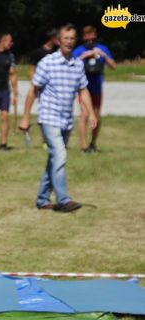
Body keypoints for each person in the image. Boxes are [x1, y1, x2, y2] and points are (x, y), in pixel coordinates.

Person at [19, 24, 97, 213]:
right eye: (65, 38)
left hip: (66, 120)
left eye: (72, 38)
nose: (69, 42)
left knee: (54, 159)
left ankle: (42, 199)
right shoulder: (47, 62)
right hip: (49, 117)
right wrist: (26, 117)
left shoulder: (78, 64)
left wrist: (92, 114)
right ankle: (63, 199)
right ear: (58, 41)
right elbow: (33, 91)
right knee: (60, 155)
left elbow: (83, 90)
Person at [72, 25, 116, 153]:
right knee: (85, 114)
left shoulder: (102, 48)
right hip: (84, 88)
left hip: (97, 88)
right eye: (87, 37)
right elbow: (70, 64)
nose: (90, 40)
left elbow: (113, 66)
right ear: (84, 37)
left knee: (96, 116)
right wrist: (83, 56)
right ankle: (83, 146)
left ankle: (93, 143)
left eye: (92, 37)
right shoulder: (79, 50)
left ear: (95, 36)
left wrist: (104, 56)